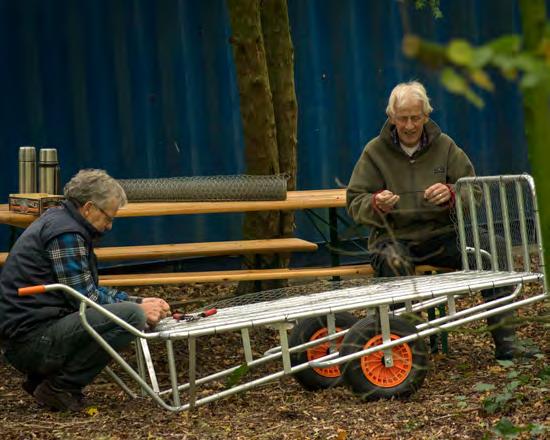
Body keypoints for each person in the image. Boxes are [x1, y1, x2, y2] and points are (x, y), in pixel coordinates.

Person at [346, 81, 517, 361]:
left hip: (443, 234)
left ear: (426, 116)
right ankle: (403, 349)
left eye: (416, 117)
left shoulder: (445, 146)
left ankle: (507, 342)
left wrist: (452, 194)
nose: (410, 125)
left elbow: (474, 190)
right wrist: (376, 203)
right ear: (391, 117)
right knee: (392, 262)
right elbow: (354, 202)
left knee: (493, 249)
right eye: (403, 118)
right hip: (394, 238)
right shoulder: (374, 152)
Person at [0, 169, 171, 412]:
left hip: (30, 335)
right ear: (89, 207)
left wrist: (139, 299)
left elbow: (83, 290)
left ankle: (45, 381)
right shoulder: (66, 233)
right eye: (108, 217)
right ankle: (60, 387)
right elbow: (85, 298)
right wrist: (137, 308)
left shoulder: (60, 219)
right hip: (31, 342)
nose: (109, 226)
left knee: (131, 310)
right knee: (132, 317)